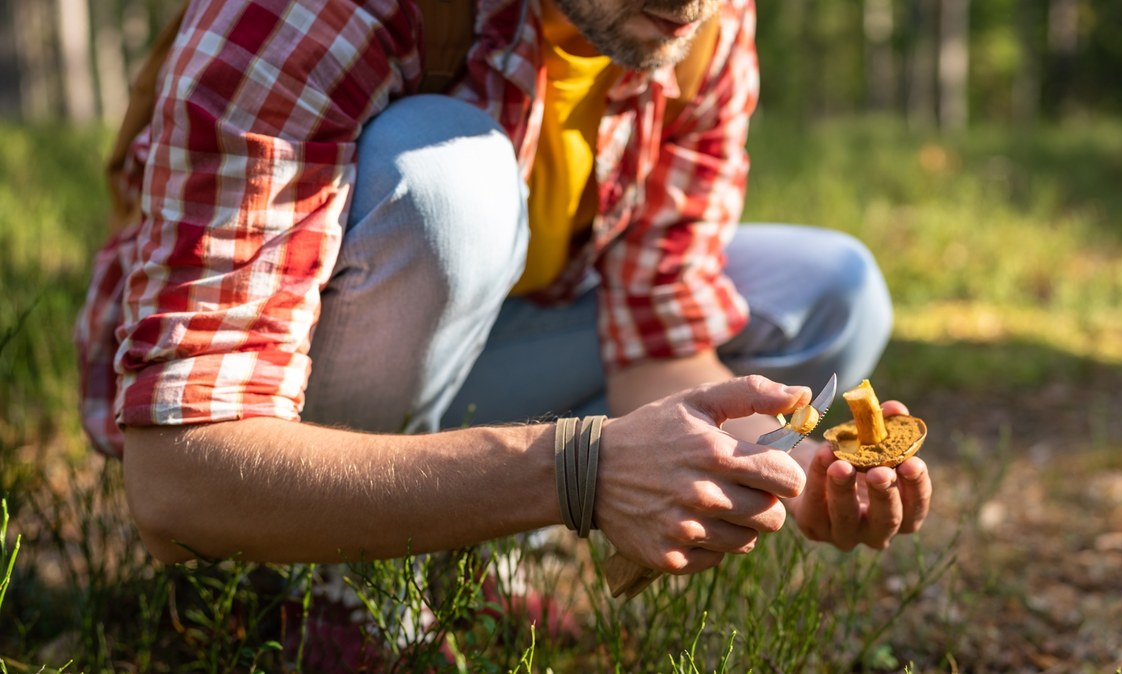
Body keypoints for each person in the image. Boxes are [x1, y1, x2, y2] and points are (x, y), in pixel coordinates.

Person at [75, 0, 932, 579]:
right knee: (451, 179)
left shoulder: (700, 22)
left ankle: (454, 548)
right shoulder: (320, 11)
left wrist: (795, 469)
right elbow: (178, 483)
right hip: (275, 412)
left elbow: (661, 341)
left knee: (831, 291)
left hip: (481, 346)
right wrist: (578, 471)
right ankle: (316, 587)